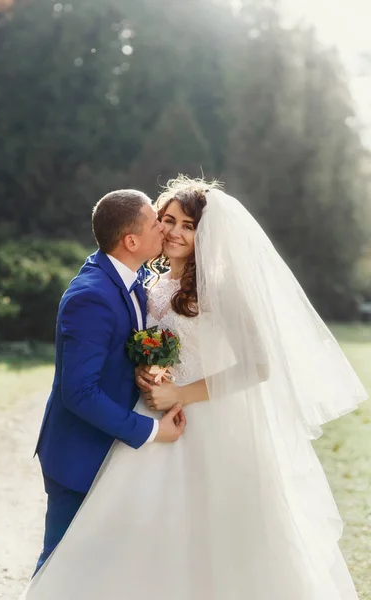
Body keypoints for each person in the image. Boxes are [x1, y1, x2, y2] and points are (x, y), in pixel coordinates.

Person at [22, 177, 367, 599]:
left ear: (206, 235)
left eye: (188, 225)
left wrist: (181, 394)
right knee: (142, 537)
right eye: (166, 221)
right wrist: (149, 373)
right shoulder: (149, 284)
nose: (173, 232)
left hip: (209, 421)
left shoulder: (220, 288)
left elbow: (259, 365)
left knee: (219, 539)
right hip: (155, 420)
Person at [31, 189, 186, 576]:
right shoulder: (92, 295)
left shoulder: (132, 278)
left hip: (110, 452)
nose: (164, 228)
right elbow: (79, 391)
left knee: (101, 570)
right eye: (157, 222)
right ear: (131, 241)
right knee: (59, 568)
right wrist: (151, 431)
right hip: (79, 456)